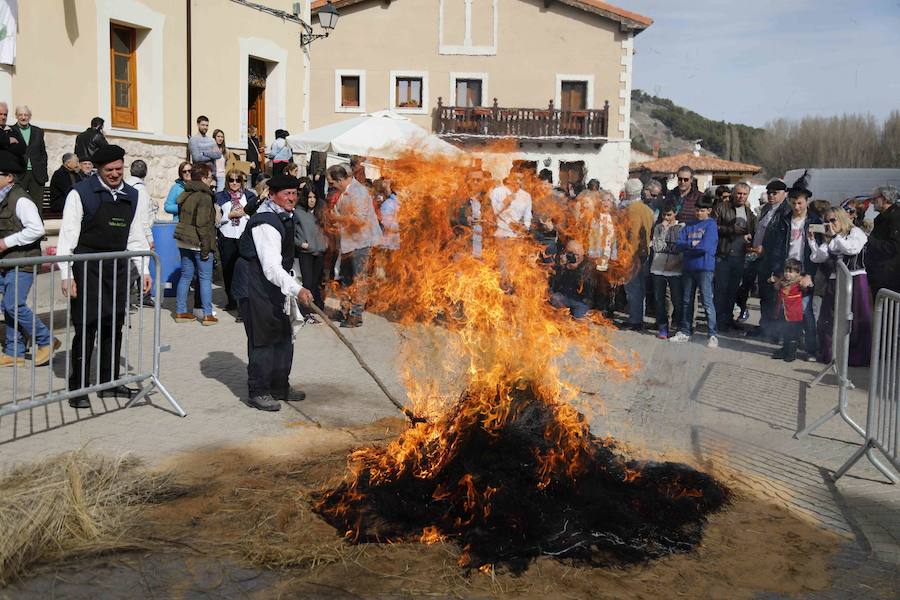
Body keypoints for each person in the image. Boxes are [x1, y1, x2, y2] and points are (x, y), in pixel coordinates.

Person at [56, 145, 152, 409]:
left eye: (119, 169)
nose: (115, 174)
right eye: (109, 170)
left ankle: (109, 382)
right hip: (86, 267)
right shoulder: (80, 194)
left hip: (117, 269)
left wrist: (144, 269)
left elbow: (135, 236)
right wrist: (66, 274)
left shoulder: (132, 195)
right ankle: (78, 387)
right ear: (98, 169)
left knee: (113, 324)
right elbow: (67, 236)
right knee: (86, 327)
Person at [234, 173, 314, 412]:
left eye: (294, 193)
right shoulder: (266, 223)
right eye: (286, 194)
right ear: (272, 195)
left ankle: (279, 386)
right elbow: (271, 267)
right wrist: (297, 289)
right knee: (263, 338)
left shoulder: (285, 216)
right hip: (254, 283)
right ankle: (258, 390)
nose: (292, 198)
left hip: (273, 284)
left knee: (283, 335)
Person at [0, 147, 56, 367]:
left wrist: (5, 243)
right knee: (8, 305)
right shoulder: (3, 198)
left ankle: (46, 340)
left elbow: (36, 229)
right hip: (8, 261)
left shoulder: (20, 200)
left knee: (13, 305)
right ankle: (14, 351)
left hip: (23, 261)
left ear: (9, 177)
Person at [760, 185, 820, 360]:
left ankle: (811, 349)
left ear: (807, 201)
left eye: (800, 203)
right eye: (793, 203)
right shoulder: (784, 221)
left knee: (806, 312)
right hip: (787, 271)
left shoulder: (815, 221)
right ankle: (788, 347)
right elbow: (777, 249)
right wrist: (777, 273)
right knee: (785, 311)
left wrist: (809, 274)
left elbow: (818, 250)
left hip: (805, 271)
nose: (797, 207)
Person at [809, 207, 871, 367]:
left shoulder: (855, 232)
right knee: (828, 317)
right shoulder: (832, 238)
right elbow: (818, 257)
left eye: (832, 220)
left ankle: (858, 356)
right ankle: (831, 354)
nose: (829, 224)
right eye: (826, 221)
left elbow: (852, 248)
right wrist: (812, 241)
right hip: (835, 279)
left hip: (855, 278)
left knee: (857, 318)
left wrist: (835, 237)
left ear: (841, 219)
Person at [328, 164, 381, 327]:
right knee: (345, 279)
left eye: (332, 182)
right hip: (348, 243)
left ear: (340, 179)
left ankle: (356, 315)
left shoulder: (359, 192)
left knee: (359, 280)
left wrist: (338, 218)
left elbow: (359, 220)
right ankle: (345, 310)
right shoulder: (343, 192)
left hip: (361, 244)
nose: (331, 186)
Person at [173, 163, 219, 325]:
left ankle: (180, 312)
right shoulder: (204, 197)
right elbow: (203, 225)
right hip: (198, 241)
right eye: (210, 177)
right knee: (205, 278)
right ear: (204, 178)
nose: (211, 180)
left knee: (185, 276)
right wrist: (207, 247)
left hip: (183, 239)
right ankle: (207, 315)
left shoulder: (186, 192)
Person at [670, 196, 718, 347]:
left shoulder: (711, 225)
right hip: (688, 267)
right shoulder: (689, 225)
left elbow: (706, 247)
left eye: (702, 210)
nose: (699, 213)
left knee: (707, 301)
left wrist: (688, 246)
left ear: (709, 210)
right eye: (697, 210)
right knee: (687, 300)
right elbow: (678, 244)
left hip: (704, 268)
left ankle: (712, 334)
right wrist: (692, 244)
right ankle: (685, 331)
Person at [746, 179, 789, 339]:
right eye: (769, 193)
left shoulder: (785, 212)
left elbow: (781, 239)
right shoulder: (766, 208)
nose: (771, 196)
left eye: (775, 193)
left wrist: (766, 248)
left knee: (773, 295)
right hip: (760, 257)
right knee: (764, 294)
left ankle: (773, 330)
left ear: (784, 194)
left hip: (773, 259)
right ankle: (765, 326)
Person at [712, 181, 756, 331]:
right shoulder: (721, 207)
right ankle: (717, 321)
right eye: (739, 193)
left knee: (732, 290)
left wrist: (750, 239)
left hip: (739, 256)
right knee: (721, 290)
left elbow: (752, 231)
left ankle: (728, 319)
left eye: (744, 194)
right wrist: (731, 230)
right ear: (733, 193)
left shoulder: (749, 213)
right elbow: (711, 226)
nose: (741, 196)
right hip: (723, 254)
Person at [215, 168, 257, 313]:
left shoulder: (249, 196)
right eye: (231, 180)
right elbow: (216, 220)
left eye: (237, 180)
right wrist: (229, 215)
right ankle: (232, 300)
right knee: (228, 270)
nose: (234, 183)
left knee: (244, 271)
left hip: (244, 237)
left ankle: (243, 305)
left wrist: (244, 213)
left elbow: (254, 214)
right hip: (227, 236)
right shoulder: (220, 197)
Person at [620, 178, 655, 331]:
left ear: (628, 193)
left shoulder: (631, 210)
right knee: (640, 287)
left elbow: (633, 234)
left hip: (633, 253)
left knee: (633, 287)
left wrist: (628, 254)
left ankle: (635, 320)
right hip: (644, 252)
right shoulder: (647, 209)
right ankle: (638, 317)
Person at [293, 180, 327, 323]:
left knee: (316, 282)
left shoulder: (321, 210)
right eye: (309, 197)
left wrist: (325, 243)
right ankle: (305, 311)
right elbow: (291, 234)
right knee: (307, 282)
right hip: (305, 252)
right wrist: (301, 244)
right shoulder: (297, 212)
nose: (312, 200)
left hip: (320, 251)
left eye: (314, 197)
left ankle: (315, 307)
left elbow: (327, 229)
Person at [650, 202, 684, 339]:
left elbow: (682, 248)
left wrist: (676, 262)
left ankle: (680, 326)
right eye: (664, 215)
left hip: (675, 268)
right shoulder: (658, 227)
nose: (666, 218)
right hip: (658, 267)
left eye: (669, 215)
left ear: (675, 213)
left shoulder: (682, 228)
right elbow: (657, 247)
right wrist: (663, 231)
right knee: (659, 299)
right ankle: (662, 326)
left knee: (676, 299)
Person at [10, 106, 48, 216]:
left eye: (26, 115)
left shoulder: (38, 131)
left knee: (37, 206)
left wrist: (42, 166)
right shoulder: (10, 130)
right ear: (16, 116)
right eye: (20, 115)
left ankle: (38, 226)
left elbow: (43, 153)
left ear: (30, 116)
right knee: (17, 203)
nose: (23, 117)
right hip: (19, 173)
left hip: (37, 174)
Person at [866, 185, 900, 297]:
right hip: (879, 272)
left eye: (874, 199)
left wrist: (868, 240)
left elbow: (894, 246)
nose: (871, 202)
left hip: (891, 275)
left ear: (885, 199)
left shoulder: (896, 217)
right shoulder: (881, 218)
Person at [549, 240, 594, 319]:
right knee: (555, 298)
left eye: (575, 254)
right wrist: (562, 267)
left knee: (580, 320)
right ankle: (563, 317)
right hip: (565, 297)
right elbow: (556, 283)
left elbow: (586, 285)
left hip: (581, 300)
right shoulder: (564, 263)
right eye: (569, 253)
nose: (571, 256)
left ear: (581, 253)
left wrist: (575, 268)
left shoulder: (588, 265)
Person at [772, 259, 806, 363]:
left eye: (790, 272)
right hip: (783, 312)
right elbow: (777, 287)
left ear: (797, 273)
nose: (787, 274)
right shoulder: (783, 282)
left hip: (793, 314)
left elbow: (806, 286)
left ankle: (791, 353)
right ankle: (785, 349)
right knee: (785, 332)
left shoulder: (798, 284)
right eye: (786, 271)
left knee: (792, 335)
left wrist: (804, 282)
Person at [125, 160, 154, 249]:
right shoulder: (141, 190)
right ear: (145, 173)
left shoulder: (124, 187)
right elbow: (144, 218)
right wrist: (150, 239)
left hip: (125, 237)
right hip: (138, 240)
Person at [377, 178, 400, 251]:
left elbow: (384, 223)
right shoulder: (398, 202)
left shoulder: (387, 204)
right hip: (395, 241)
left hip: (387, 242)